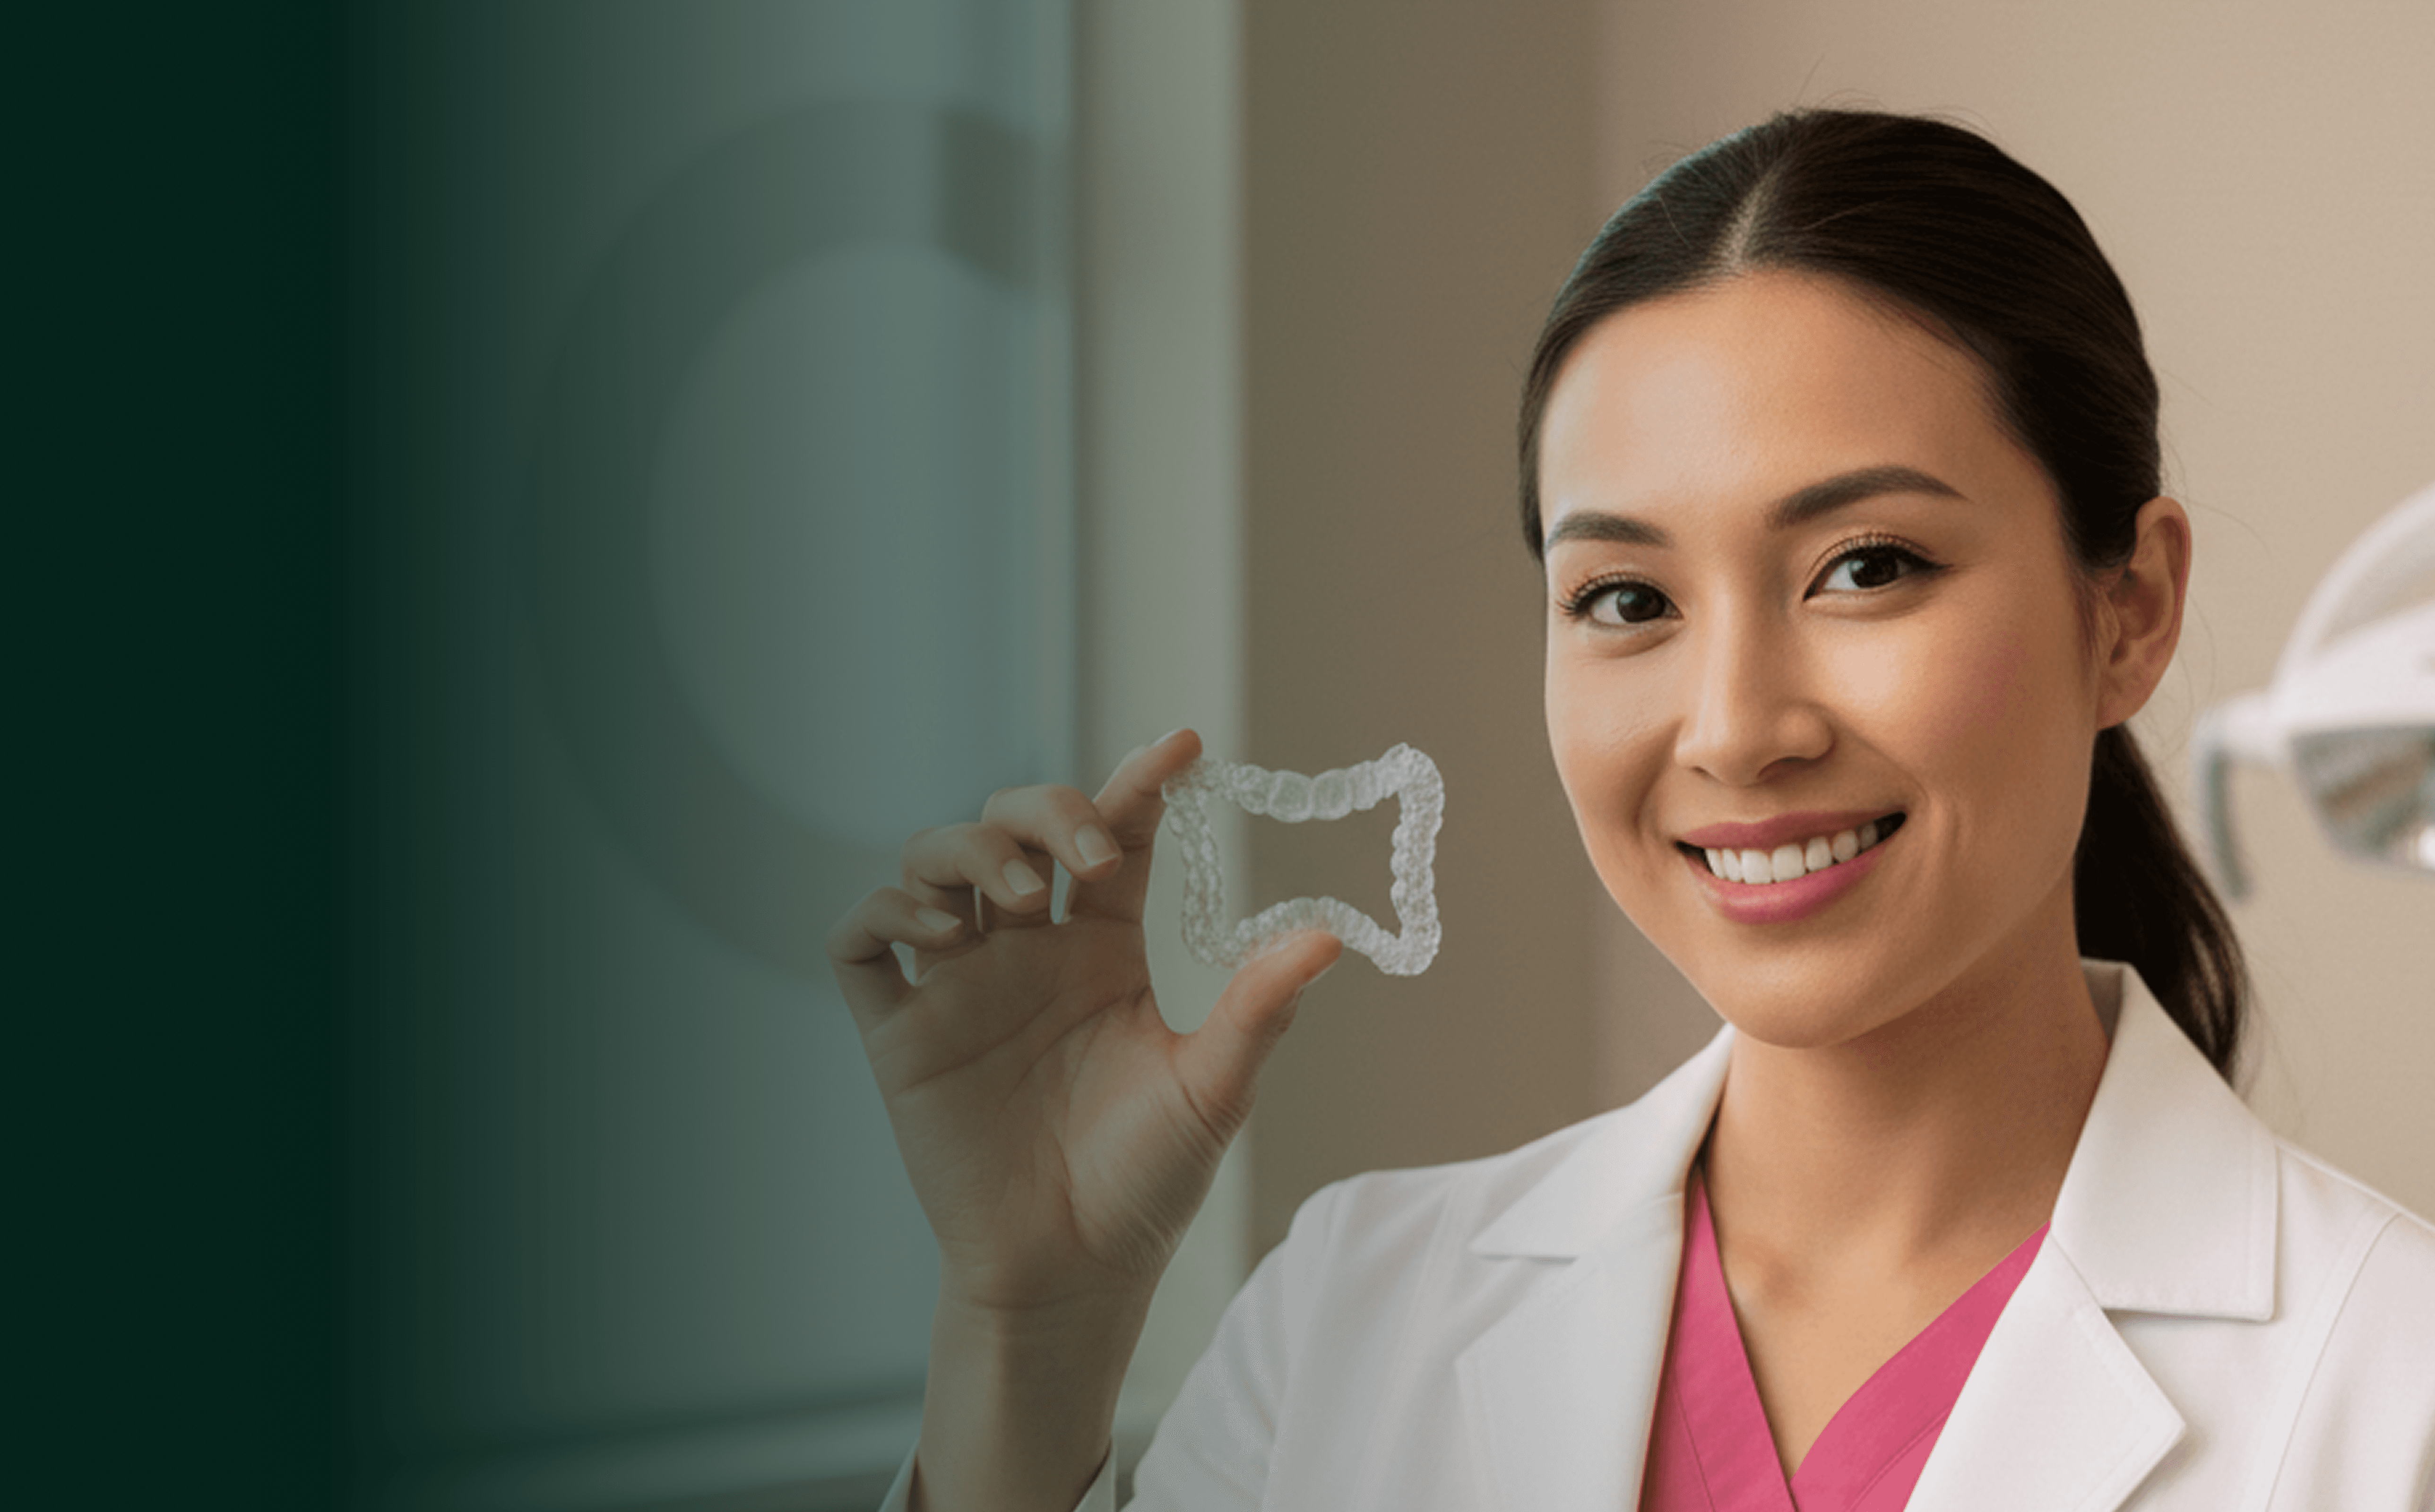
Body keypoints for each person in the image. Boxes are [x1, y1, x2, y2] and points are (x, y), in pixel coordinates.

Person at [824, 110, 2435, 1511]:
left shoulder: (2393, 1388)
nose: (1735, 730)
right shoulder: (1354, 1319)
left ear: (2131, 610)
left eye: (1866, 567)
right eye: (1626, 600)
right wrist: (1028, 1331)